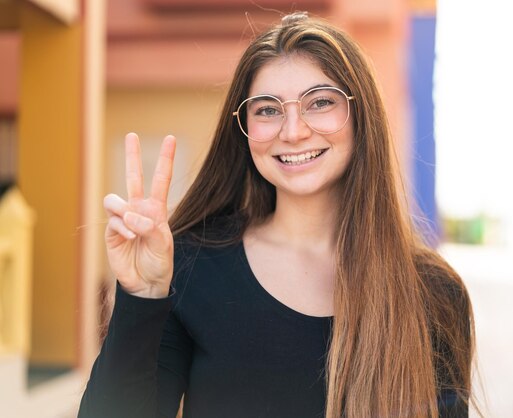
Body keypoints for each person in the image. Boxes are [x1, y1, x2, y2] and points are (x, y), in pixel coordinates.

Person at [78, 12, 476, 418]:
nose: (293, 130)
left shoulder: (433, 292)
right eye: (267, 110)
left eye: (320, 102)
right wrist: (142, 298)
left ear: (362, 116)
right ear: (244, 128)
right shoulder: (192, 266)